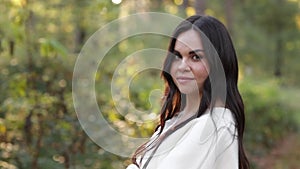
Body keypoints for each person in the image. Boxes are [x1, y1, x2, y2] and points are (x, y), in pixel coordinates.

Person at [126, 15, 250, 169]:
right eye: (177, 56)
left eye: (195, 57)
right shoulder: (177, 119)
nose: (182, 66)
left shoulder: (215, 124)